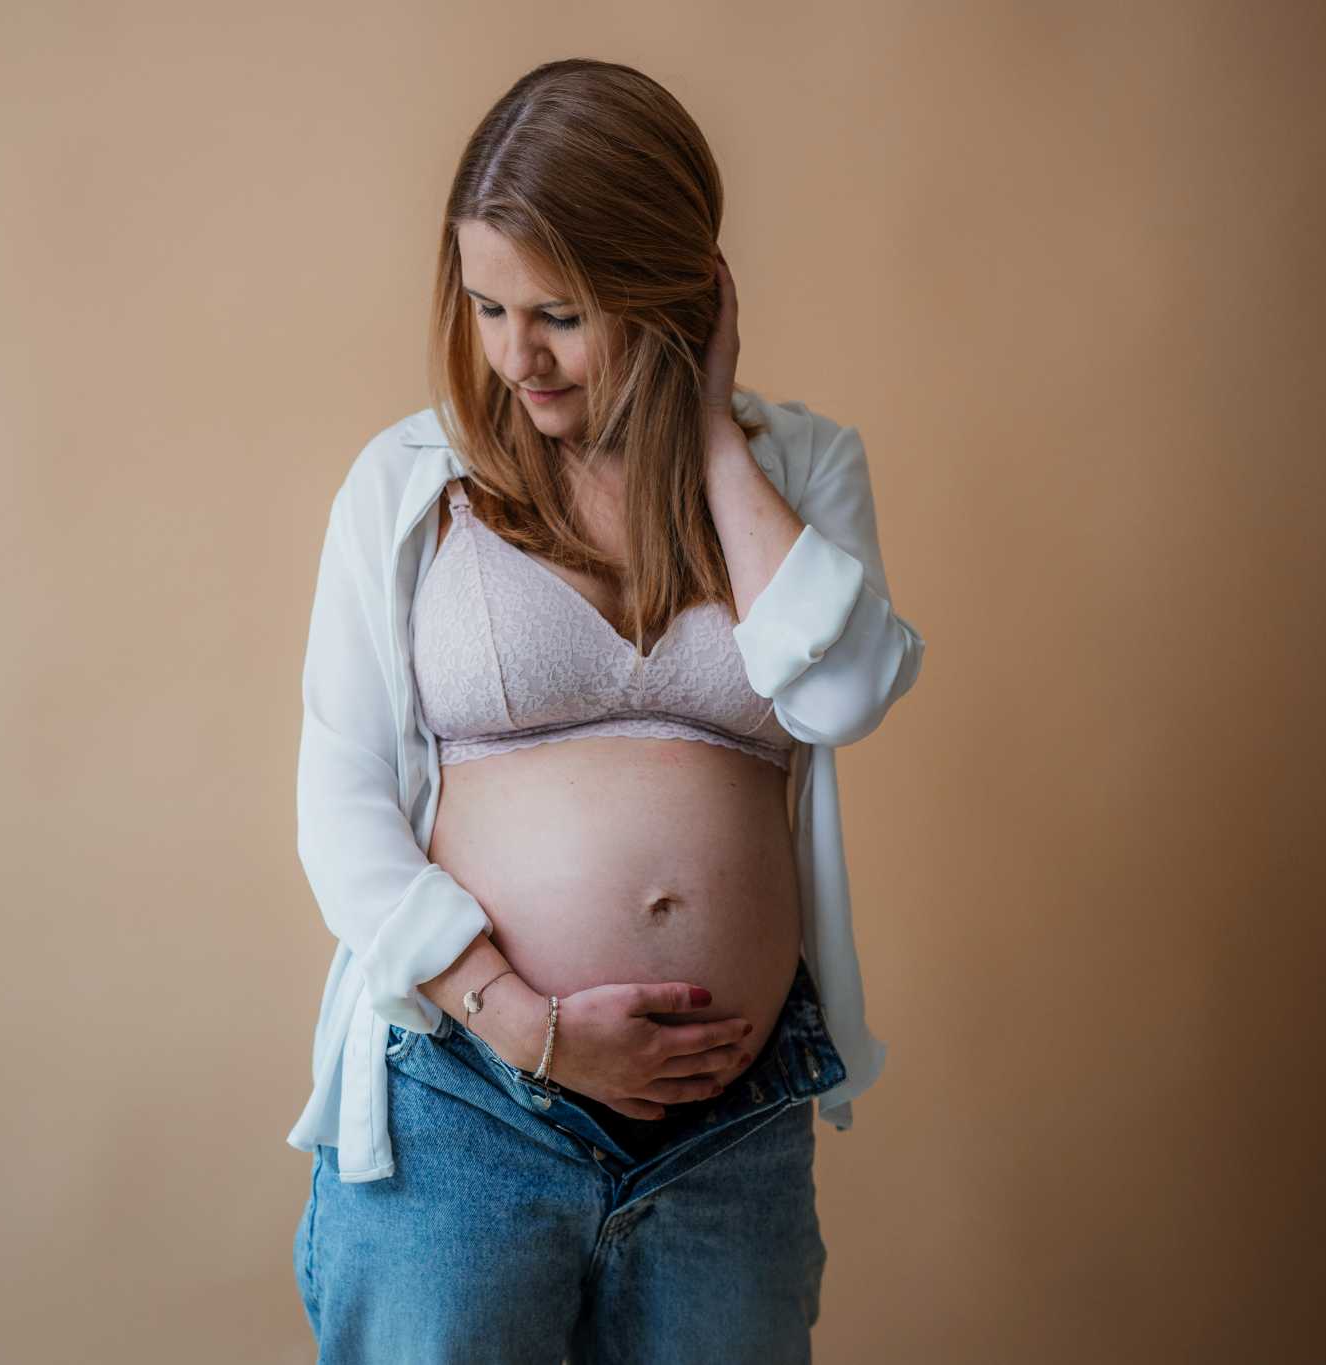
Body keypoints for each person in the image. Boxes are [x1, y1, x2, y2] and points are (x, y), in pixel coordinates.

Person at [286, 58, 926, 1364]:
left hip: (727, 1132)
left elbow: (847, 690)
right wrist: (526, 1023)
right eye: (485, 305)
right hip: (470, 1111)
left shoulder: (798, 469)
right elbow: (340, 800)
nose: (515, 355)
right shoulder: (410, 482)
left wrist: (703, 432)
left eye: (562, 314)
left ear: (671, 288)